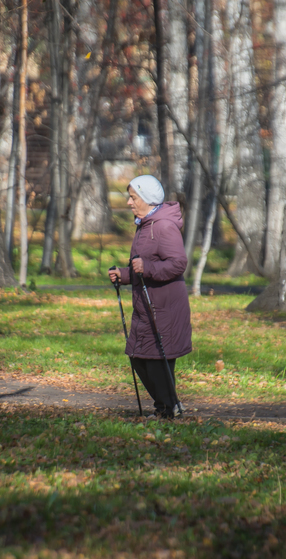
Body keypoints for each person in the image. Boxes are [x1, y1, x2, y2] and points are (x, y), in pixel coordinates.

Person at [108, 175, 192, 419]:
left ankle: (167, 409)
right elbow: (143, 265)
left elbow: (178, 263)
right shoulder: (145, 225)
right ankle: (168, 406)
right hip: (147, 306)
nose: (128, 202)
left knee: (155, 361)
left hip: (164, 307)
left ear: (146, 198)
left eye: (133, 197)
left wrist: (148, 269)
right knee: (139, 358)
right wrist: (123, 275)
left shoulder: (163, 226)